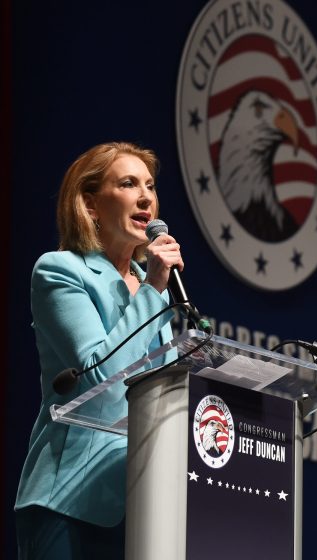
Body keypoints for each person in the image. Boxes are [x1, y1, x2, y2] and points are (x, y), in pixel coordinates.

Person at [15, 142, 184, 559]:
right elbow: (102, 382)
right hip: (71, 500)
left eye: (149, 185)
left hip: (146, 508)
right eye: (128, 184)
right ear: (90, 204)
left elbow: (163, 397)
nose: (146, 197)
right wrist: (152, 290)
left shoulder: (155, 290)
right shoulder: (60, 271)